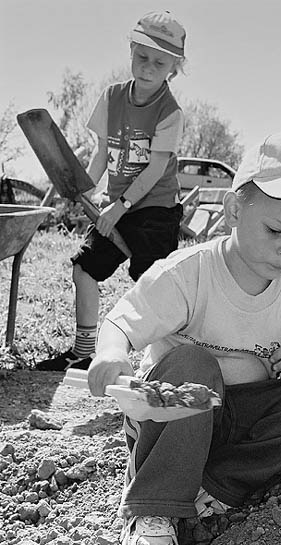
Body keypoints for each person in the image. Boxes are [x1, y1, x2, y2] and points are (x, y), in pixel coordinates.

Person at [87, 132, 281, 545]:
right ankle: (154, 506)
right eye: (275, 230)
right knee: (196, 363)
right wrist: (111, 353)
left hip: (244, 413)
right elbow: (124, 319)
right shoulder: (189, 273)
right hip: (175, 411)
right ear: (234, 210)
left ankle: (211, 489)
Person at [36, 10, 187, 371]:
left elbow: (154, 170)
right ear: (131, 50)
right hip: (115, 204)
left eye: (159, 61)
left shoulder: (170, 112)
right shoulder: (112, 97)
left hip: (154, 210)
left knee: (152, 286)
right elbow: (102, 153)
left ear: (174, 68)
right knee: (84, 270)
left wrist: (119, 207)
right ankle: (84, 351)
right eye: (142, 56)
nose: (148, 66)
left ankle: (160, 362)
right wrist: (82, 190)